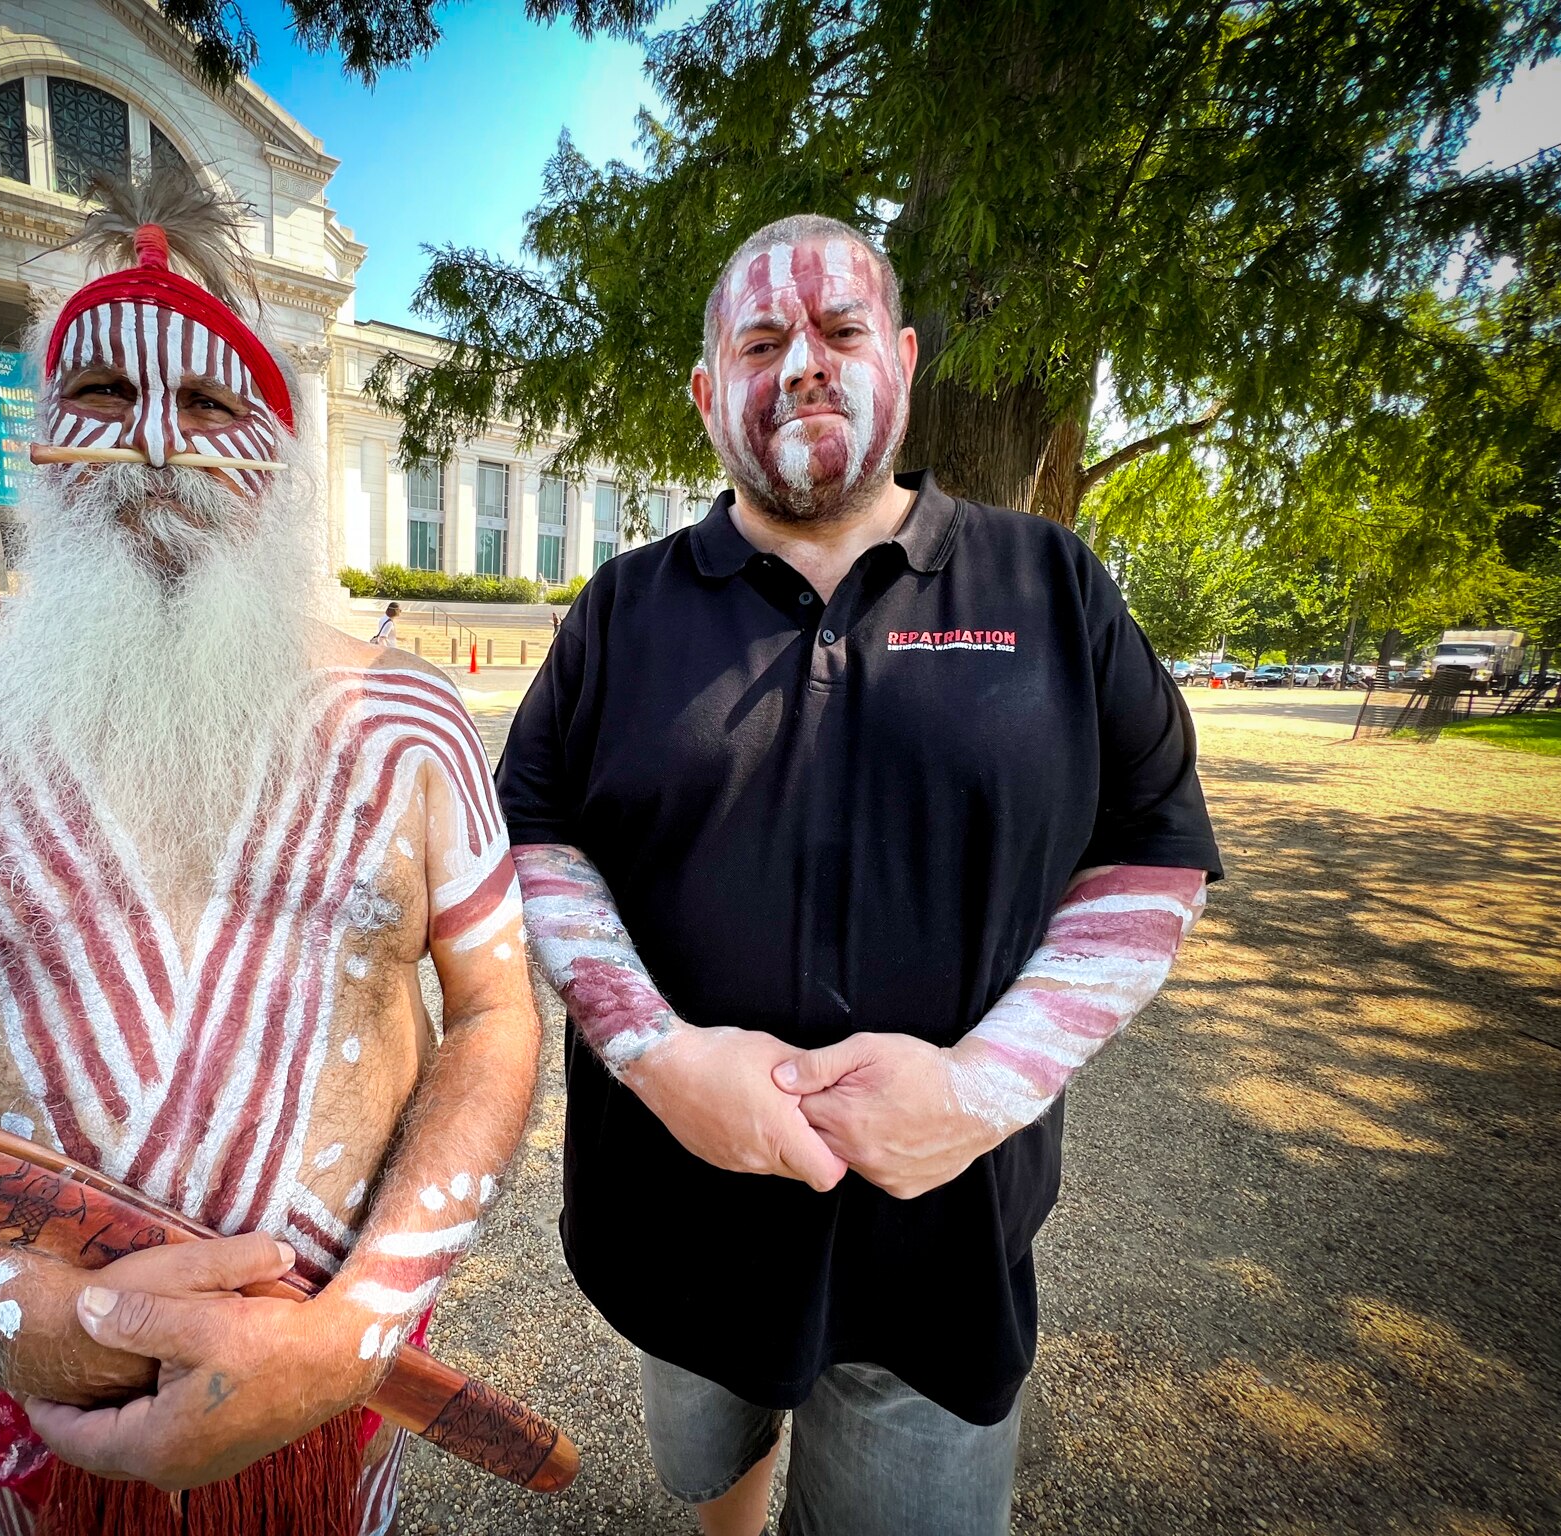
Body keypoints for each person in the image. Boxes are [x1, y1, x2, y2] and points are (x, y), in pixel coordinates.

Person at [0, 169, 539, 1536]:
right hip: (39, 1423)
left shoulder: (409, 724)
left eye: (215, 398)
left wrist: (356, 1326)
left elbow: (498, 1014)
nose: (157, 439)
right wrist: (32, 1316)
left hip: (330, 1404)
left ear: (281, 450)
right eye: (102, 390)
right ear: (40, 431)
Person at [498, 214, 1222, 1536]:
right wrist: (660, 1058)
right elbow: (537, 838)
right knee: (713, 1468)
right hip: (681, 1217)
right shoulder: (617, 609)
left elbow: (1154, 847)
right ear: (710, 391)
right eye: (762, 340)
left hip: (941, 1239)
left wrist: (978, 1089)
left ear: (897, 355)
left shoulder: (1051, 583)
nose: (805, 364)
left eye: (838, 332)